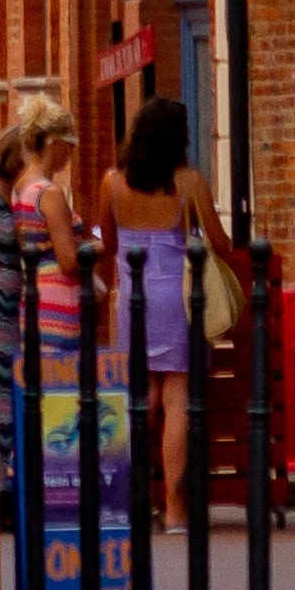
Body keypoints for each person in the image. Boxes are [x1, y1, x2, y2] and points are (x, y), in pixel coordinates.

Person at [89, 96, 234, 530]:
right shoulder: (188, 183)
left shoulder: (112, 183)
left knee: (140, 400)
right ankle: (174, 509)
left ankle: (128, 502)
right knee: (177, 402)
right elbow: (221, 243)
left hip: (133, 300)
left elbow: (108, 244)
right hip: (178, 302)